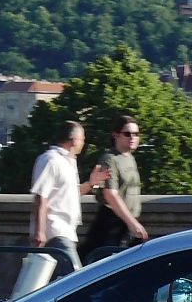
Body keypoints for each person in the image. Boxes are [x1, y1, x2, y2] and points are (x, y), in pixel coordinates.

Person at [29, 120, 109, 278]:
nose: (84, 143)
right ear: (73, 140)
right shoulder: (51, 160)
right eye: (82, 139)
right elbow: (41, 197)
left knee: (52, 282)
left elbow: (71, 194)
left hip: (66, 231)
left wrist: (91, 183)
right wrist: (40, 232)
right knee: (76, 278)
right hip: (55, 232)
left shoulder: (68, 162)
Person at [79, 114, 148, 261]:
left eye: (136, 134)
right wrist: (132, 223)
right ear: (116, 135)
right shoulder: (110, 159)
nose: (133, 138)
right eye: (127, 134)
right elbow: (110, 194)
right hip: (111, 223)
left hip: (126, 223)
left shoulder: (130, 157)